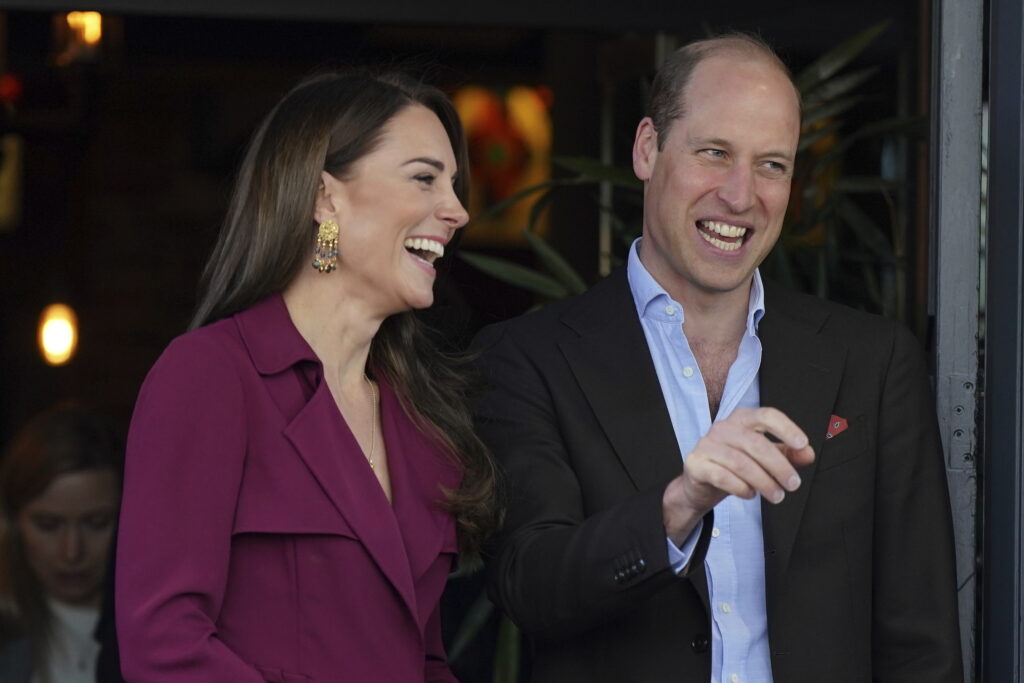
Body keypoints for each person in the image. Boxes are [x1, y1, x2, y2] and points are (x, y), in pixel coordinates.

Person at [473, 34, 962, 683]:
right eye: (715, 153)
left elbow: (920, 644)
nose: (741, 195)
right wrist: (676, 506)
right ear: (648, 148)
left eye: (772, 165)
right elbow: (529, 586)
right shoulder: (525, 358)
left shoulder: (870, 363)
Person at [115, 71, 496, 682]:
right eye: (425, 178)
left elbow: (424, 661)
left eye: (453, 185)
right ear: (325, 199)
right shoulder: (211, 377)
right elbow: (164, 646)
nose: (456, 211)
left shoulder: (422, 421)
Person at [0, 404, 123, 683]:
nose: (71, 552)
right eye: (48, 525)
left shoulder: (166, 632)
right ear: (13, 523)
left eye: (97, 523)